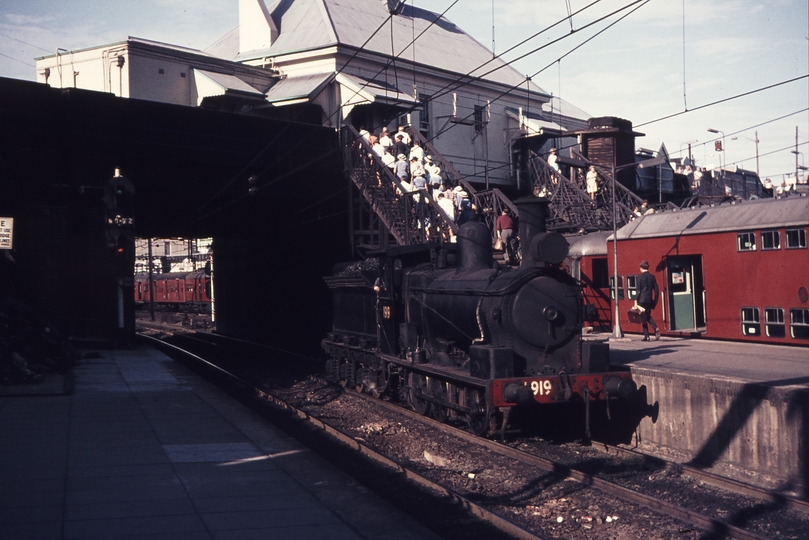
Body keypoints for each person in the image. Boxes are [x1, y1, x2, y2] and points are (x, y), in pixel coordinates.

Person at [636, 260, 660, 341]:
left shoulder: (639, 277)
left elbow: (638, 291)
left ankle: (647, 336)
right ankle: (655, 328)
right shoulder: (652, 277)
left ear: (641, 268)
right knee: (647, 316)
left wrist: (636, 301)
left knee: (643, 317)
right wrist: (655, 301)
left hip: (641, 300)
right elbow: (656, 290)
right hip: (649, 300)